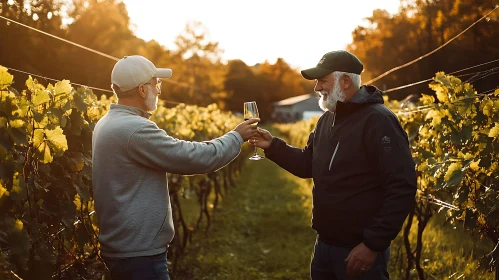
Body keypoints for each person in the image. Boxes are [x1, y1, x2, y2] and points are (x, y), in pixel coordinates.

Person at [251, 50, 417, 279]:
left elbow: (402, 185)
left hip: (359, 251)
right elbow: (307, 165)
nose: (316, 87)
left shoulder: (379, 121)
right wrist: (272, 146)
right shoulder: (327, 119)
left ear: (345, 81)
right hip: (324, 246)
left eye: (322, 80)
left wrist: (372, 244)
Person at [92, 55, 259, 280]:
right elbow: (196, 158)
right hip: (139, 255)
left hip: (126, 248)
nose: (159, 90)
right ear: (142, 90)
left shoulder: (107, 122)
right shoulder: (135, 130)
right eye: (156, 84)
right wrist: (236, 136)